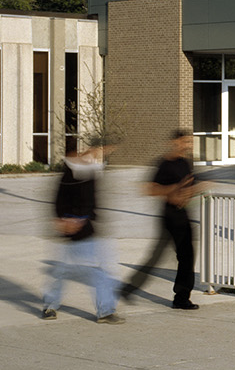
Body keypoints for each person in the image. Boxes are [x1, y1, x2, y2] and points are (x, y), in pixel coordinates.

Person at [121, 129, 209, 310]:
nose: (188, 146)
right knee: (171, 257)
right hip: (170, 216)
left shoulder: (186, 163)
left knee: (184, 257)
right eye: (185, 142)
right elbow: (149, 189)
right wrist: (173, 191)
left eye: (190, 142)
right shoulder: (164, 164)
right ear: (175, 142)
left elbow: (191, 185)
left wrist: (195, 189)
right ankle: (177, 298)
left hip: (183, 214)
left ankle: (180, 297)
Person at [42, 141, 123, 324]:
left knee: (97, 270)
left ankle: (105, 311)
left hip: (86, 228)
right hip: (67, 231)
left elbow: (92, 201)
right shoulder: (69, 173)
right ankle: (50, 306)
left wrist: (88, 218)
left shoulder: (91, 172)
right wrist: (62, 220)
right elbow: (58, 200)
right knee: (61, 272)